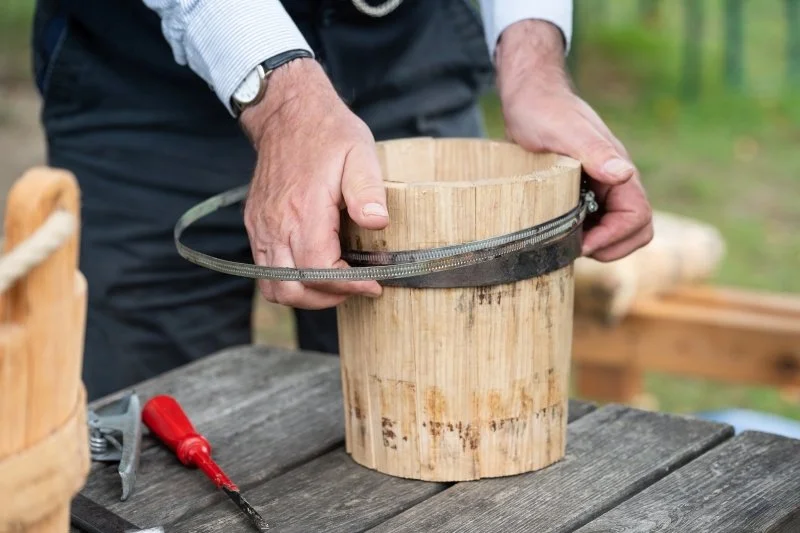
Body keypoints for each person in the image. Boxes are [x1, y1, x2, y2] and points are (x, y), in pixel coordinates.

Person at [31, 0, 653, 401]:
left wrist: (531, 57)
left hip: (406, 47)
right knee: (151, 427)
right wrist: (282, 94)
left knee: (438, 409)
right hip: (143, 83)